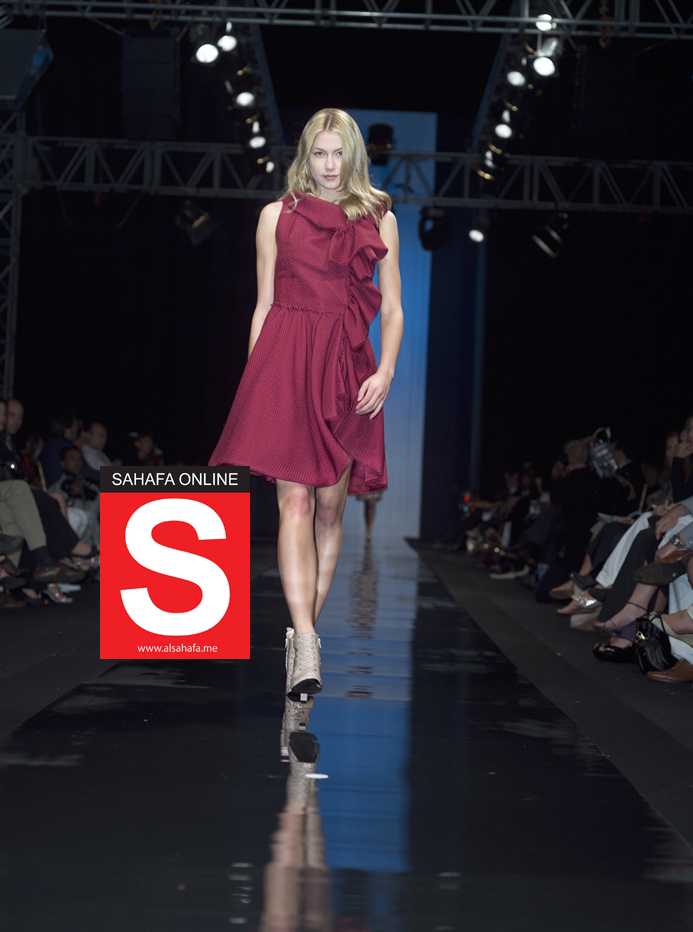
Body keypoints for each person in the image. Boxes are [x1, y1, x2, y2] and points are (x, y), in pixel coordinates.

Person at [208, 108, 404, 701]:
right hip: (286, 366)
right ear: (304, 157)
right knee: (292, 501)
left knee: (328, 510)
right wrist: (257, 380)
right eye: (319, 154)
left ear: (353, 156)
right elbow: (264, 304)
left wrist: (387, 371)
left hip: (347, 370)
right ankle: (309, 641)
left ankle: (302, 634)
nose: (328, 165)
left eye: (338, 153)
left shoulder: (380, 217)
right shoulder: (276, 216)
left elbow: (392, 309)